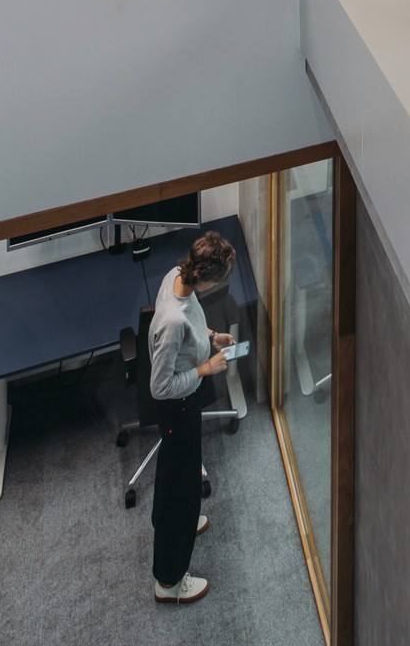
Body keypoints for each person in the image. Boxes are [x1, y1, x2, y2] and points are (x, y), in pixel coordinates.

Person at [147, 232, 237, 605]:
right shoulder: (172, 322)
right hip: (177, 406)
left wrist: (212, 336)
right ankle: (168, 582)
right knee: (181, 489)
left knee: (175, 472)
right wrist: (205, 369)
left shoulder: (177, 275)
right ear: (207, 279)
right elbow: (159, 387)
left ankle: (174, 520)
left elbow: (194, 324)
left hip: (185, 405)